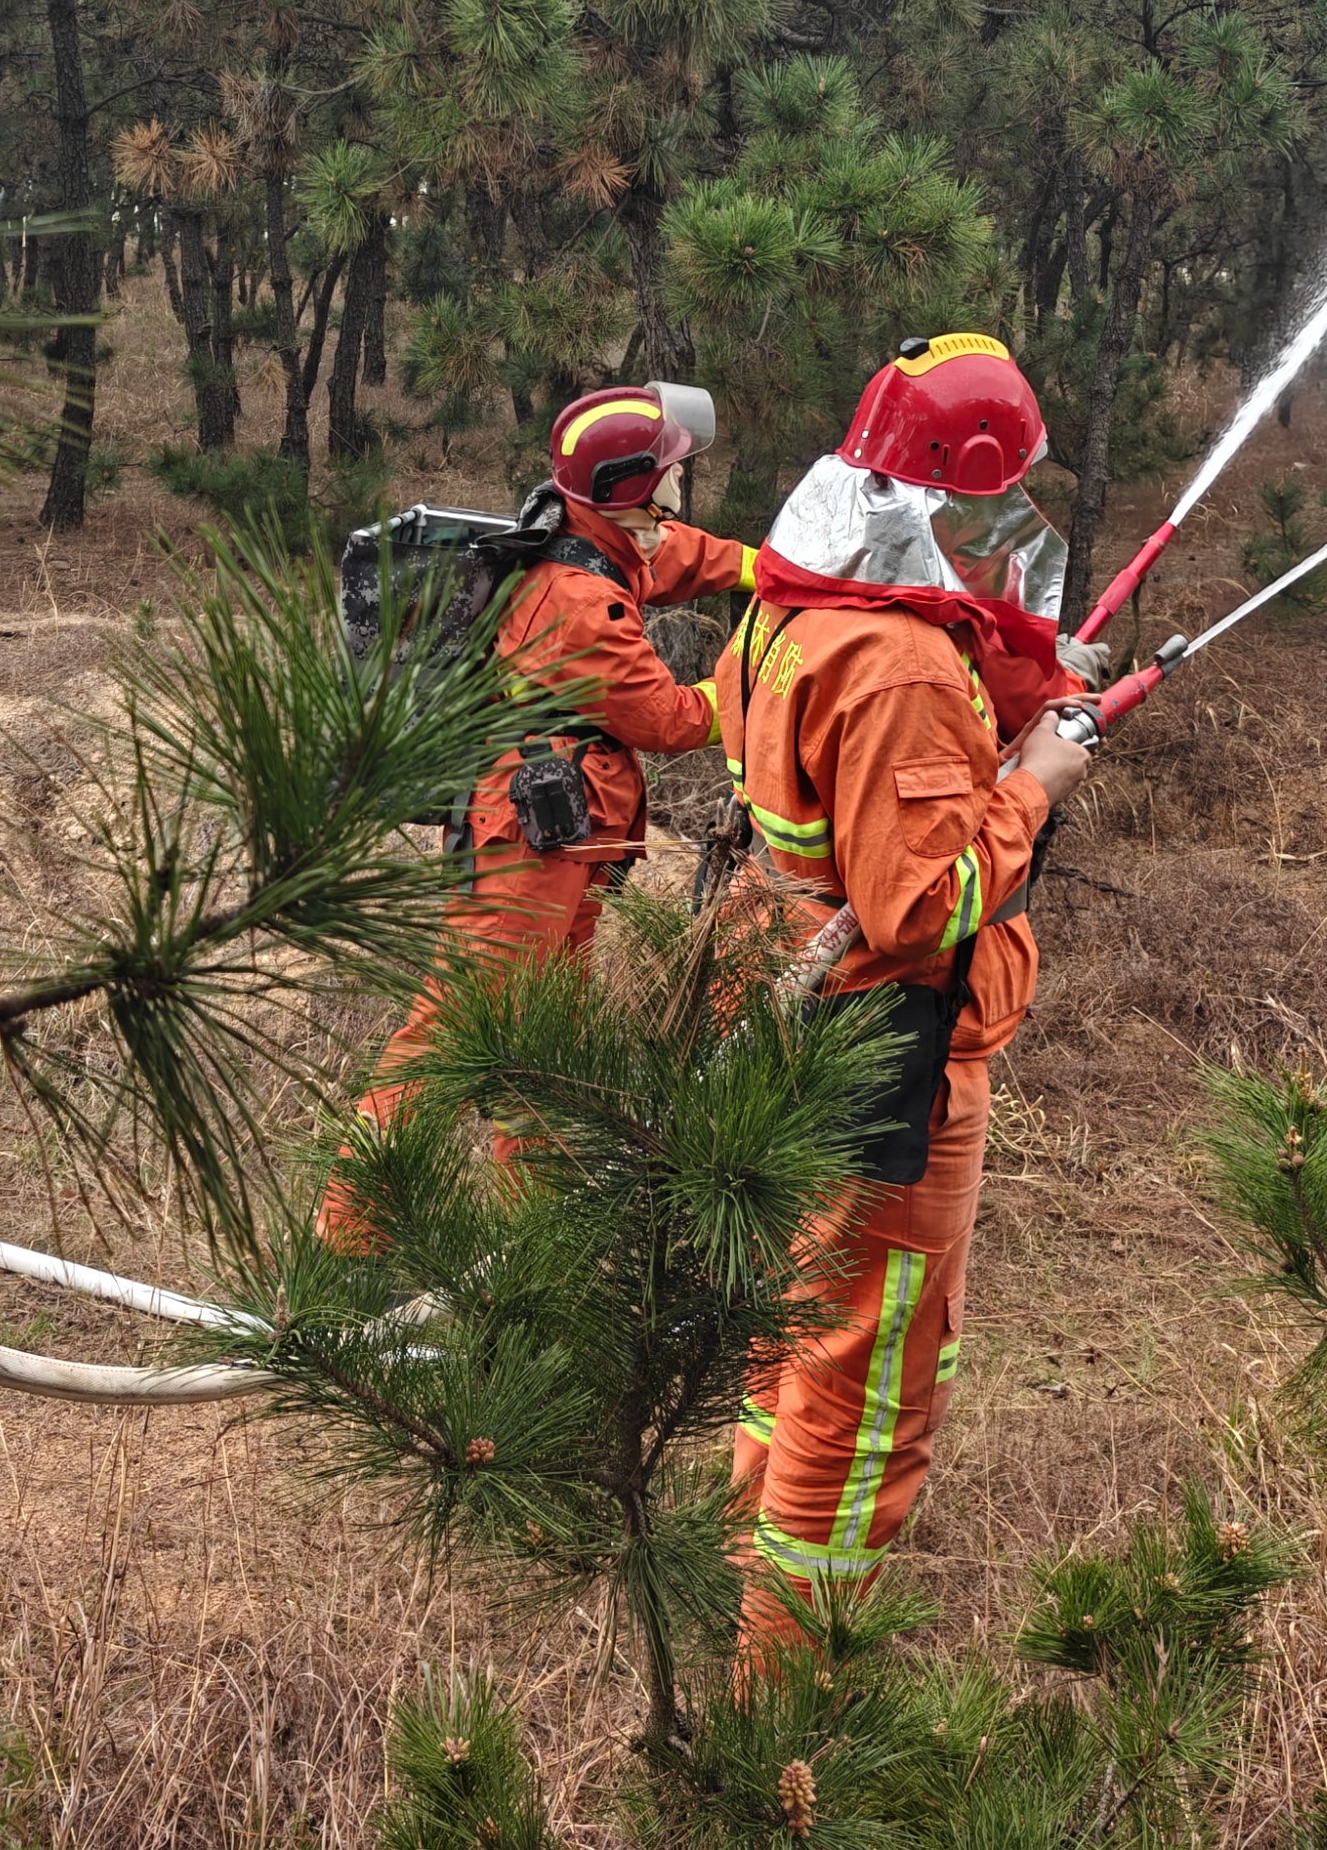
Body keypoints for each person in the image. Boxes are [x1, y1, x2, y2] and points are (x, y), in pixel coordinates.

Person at [709, 331, 1101, 1661]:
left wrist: (1017, 696)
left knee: (790, 1341)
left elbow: (843, 791)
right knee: (866, 1379)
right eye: (1004, 494)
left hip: (788, 1002)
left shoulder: (797, 604)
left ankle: (739, 1581)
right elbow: (920, 905)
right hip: (888, 1050)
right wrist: (1034, 780)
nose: (1014, 517)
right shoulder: (903, 669)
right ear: (958, 492)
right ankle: (790, 1697)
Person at [328, 381, 757, 1219]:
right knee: (451, 1036)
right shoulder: (578, 602)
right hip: (526, 844)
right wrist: (760, 677)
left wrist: (769, 570)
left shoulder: (589, 532)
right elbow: (669, 720)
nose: (682, 478)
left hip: (558, 834)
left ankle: (537, 1226)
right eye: (672, 467)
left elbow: (675, 555)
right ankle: (346, 1234)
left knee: (541, 1040)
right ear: (634, 487)